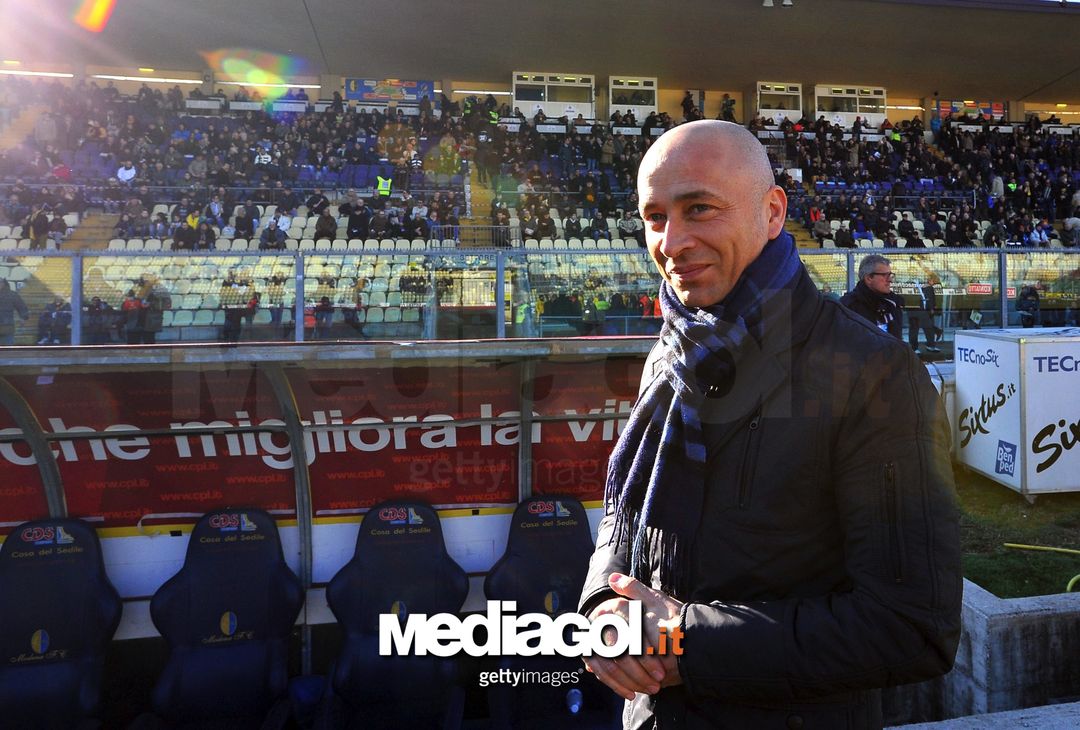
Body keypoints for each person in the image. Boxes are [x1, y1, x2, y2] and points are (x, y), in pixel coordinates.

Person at [578, 121, 960, 730]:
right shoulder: (672, 349)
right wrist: (604, 603)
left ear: (773, 212)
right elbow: (624, 512)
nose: (671, 241)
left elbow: (911, 627)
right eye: (654, 217)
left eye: (699, 208)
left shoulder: (874, 371)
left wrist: (687, 643)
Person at [840, 254, 906, 339]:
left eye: (890, 275)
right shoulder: (848, 307)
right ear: (869, 278)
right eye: (885, 275)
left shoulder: (894, 303)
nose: (890, 280)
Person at [909, 274, 942, 353]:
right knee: (926, 328)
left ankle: (916, 347)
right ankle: (929, 345)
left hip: (915, 310)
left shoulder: (915, 286)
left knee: (916, 329)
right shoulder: (929, 288)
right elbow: (931, 300)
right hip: (923, 311)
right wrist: (931, 309)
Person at [0, 279, 29, 346]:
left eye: (0, 282)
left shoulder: (12, 294)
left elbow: (22, 306)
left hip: (7, 326)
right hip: (7, 325)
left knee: (8, 348)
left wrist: (23, 317)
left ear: (4, 284)